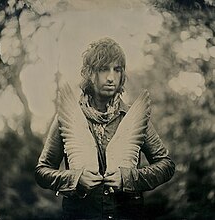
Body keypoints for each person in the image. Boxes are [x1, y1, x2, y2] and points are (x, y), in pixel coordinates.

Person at [35, 38, 175, 220]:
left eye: (117, 70)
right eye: (103, 69)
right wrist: (75, 179)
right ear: (89, 74)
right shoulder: (68, 115)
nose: (111, 78)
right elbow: (42, 171)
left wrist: (128, 178)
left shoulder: (134, 117)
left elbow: (166, 165)